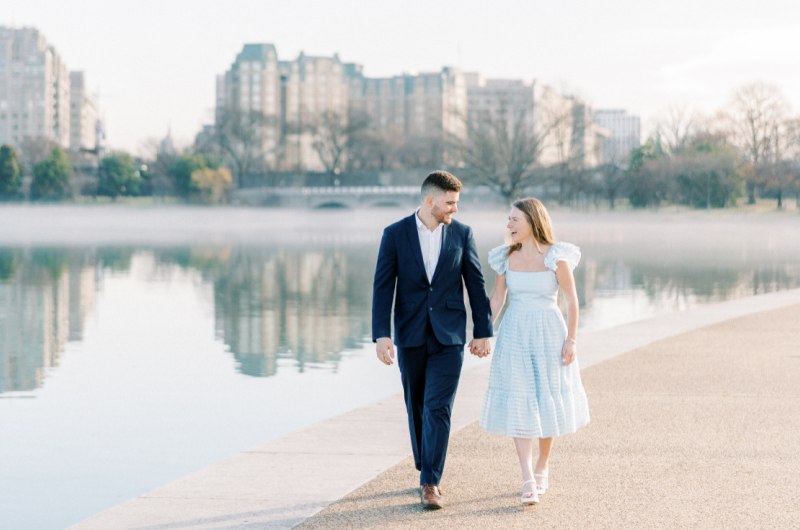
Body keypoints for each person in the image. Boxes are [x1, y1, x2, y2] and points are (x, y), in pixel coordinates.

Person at [372, 170, 493, 510]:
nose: (454, 209)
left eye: (456, 202)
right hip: (409, 334)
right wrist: (381, 334)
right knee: (416, 405)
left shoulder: (462, 234)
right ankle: (424, 462)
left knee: (438, 407)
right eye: (450, 202)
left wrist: (482, 331)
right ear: (430, 200)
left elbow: (476, 283)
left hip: (449, 336)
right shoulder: (394, 234)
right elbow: (383, 286)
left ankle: (430, 482)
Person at [476, 197, 590, 506]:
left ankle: (542, 465)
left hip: (549, 332)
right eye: (508, 219)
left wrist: (572, 340)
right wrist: (482, 332)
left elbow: (572, 300)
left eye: (515, 219)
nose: (509, 225)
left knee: (545, 398)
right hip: (515, 332)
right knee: (520, 399)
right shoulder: (505, 258)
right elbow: (497, 298)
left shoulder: (557, 257)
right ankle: (527, 476)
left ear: (532, 222)